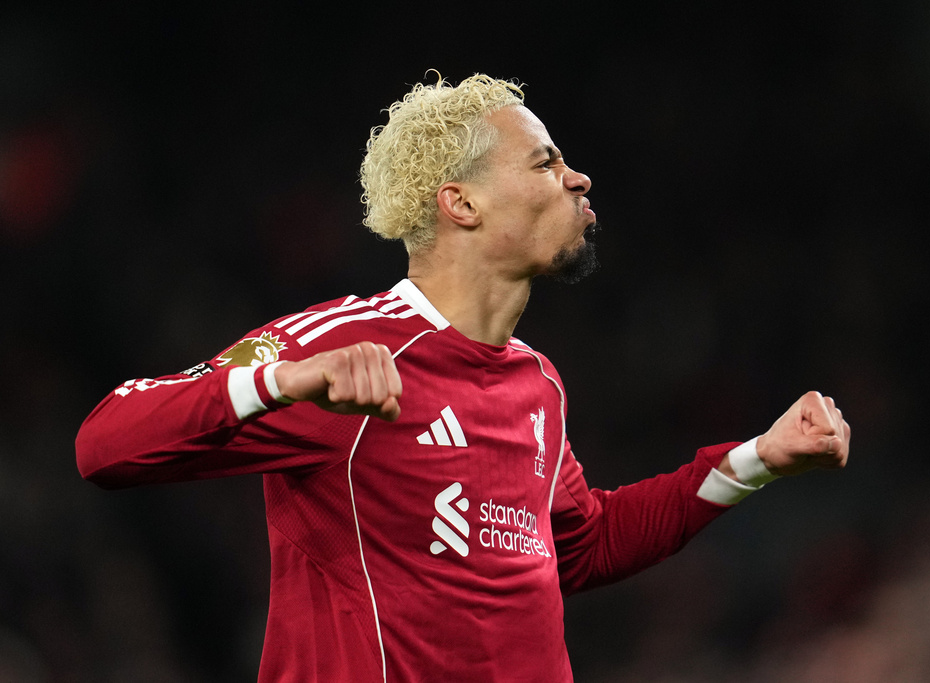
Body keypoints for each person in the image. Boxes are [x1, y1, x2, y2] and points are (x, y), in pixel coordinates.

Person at [76, 73, 850, 682]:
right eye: (546, 161)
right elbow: (103, 444)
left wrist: (758, 458)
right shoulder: (338, 349)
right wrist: (279, 382)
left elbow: (581, 544)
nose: (579, 178)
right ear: (462, 202)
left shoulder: (538, 383)